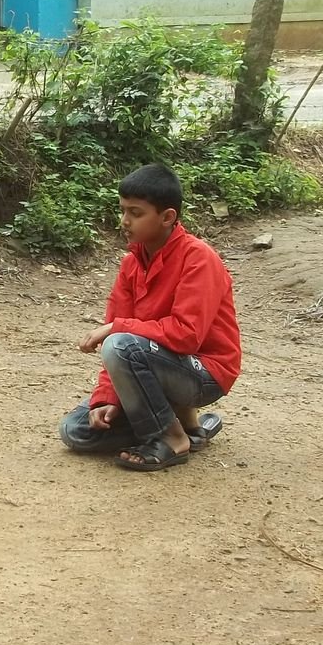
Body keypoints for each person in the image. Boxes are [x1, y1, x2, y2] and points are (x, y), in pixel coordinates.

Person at [58, 163, 242, 472]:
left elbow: (186, 335)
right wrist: (107, 398)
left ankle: (173, 438)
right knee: (75, 430)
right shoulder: (132, 264)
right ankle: (188, 427)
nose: (125, 221)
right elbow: (118, 347)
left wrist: (117, 328)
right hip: (154, 365)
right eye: (123, 210)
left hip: (204, 375)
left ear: (168, 217)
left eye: (136, 213)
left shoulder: (199, 258)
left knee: (120, 343)